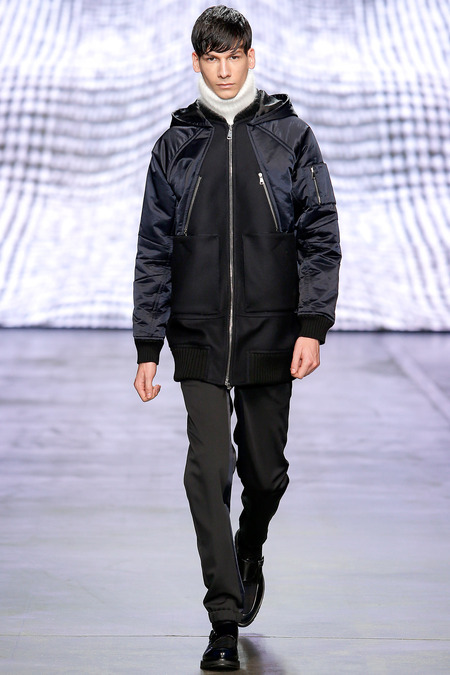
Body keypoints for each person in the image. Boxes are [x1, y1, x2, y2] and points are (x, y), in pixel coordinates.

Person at [133, 5, 341, 671]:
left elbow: (320, 234)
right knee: (208, 469)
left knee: (266, 473)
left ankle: (250, 546)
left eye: (233, 55)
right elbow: (153, 248)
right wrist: (147, 344)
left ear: (252, 57)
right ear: (195, 62)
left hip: (271, 331)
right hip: (195, 331)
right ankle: (223, 616)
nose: (223, 69)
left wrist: (312, 326)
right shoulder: (175, 145)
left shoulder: (290, 136)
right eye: (212, 57)